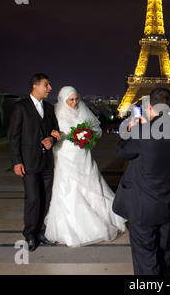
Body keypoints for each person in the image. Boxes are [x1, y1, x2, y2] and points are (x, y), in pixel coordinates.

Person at [112, 88, 170, 275]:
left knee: (145, 256)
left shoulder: (142, 132)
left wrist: (131, 131)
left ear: (150, 107)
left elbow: (122, 151)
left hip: (143, 205)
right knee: (165, 253)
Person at [43, 86, 126, 247]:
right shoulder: (55, 114)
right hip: (65, 156)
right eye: (71, 100)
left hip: (82, 156)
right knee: (68, 190)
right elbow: (52, 133)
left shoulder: (82, 111)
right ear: (63, 100)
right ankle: (74, 228)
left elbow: (94, 129)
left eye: (76, 99)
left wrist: (87, 137)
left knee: (91, 185)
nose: (74, 102)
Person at [9, 73, 59, 252]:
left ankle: (41, 233)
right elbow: (14, 137)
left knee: (45, 199)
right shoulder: (20, 107)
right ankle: (29, 235)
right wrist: (17, 162)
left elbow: (55, 130)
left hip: (46, 162)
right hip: (29, 163)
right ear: (35, 86)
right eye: (46, 85)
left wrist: (52, 140)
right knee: (33, 199)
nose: (50, 88)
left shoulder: (50, 108)